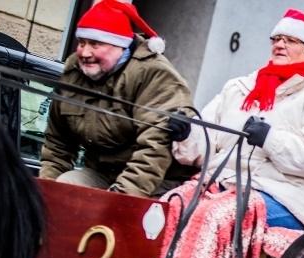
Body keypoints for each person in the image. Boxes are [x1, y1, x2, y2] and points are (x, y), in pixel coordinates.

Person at [170, 8, 304, 229]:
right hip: (223, 183)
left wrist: (270, 139)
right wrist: (186, 135)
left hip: (285, 198)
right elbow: (207, 145)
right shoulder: (239, 88)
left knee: (218, 218)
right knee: (171, 205)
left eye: (291, 40)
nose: (279, 45)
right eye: (276, 39)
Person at [39, 0, 195, 197]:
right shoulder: (74, 71)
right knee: (63, 188)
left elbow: (154, 149)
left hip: (157, 181)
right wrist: (47, 194)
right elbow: (57, 142)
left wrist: (118, 197)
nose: (85, 53)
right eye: (81, 43)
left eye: (95, 43)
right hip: (102, 173)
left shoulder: (154, 75)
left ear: (119, 45)